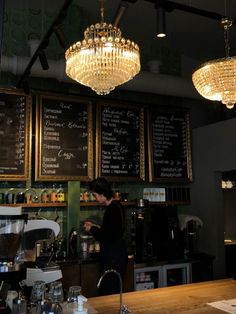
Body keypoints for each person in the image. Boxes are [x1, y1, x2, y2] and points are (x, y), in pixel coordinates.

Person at [84, 177, 128, 296]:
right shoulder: (117, 206)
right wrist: (96, 227)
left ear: (103, 194)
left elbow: (107, 237)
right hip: (117, 253)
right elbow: (112, 231)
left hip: (113, 257)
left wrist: (91, 229)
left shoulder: (112, 209)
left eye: (95, 195)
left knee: (109, 293)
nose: (95, 198)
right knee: (112, 291)